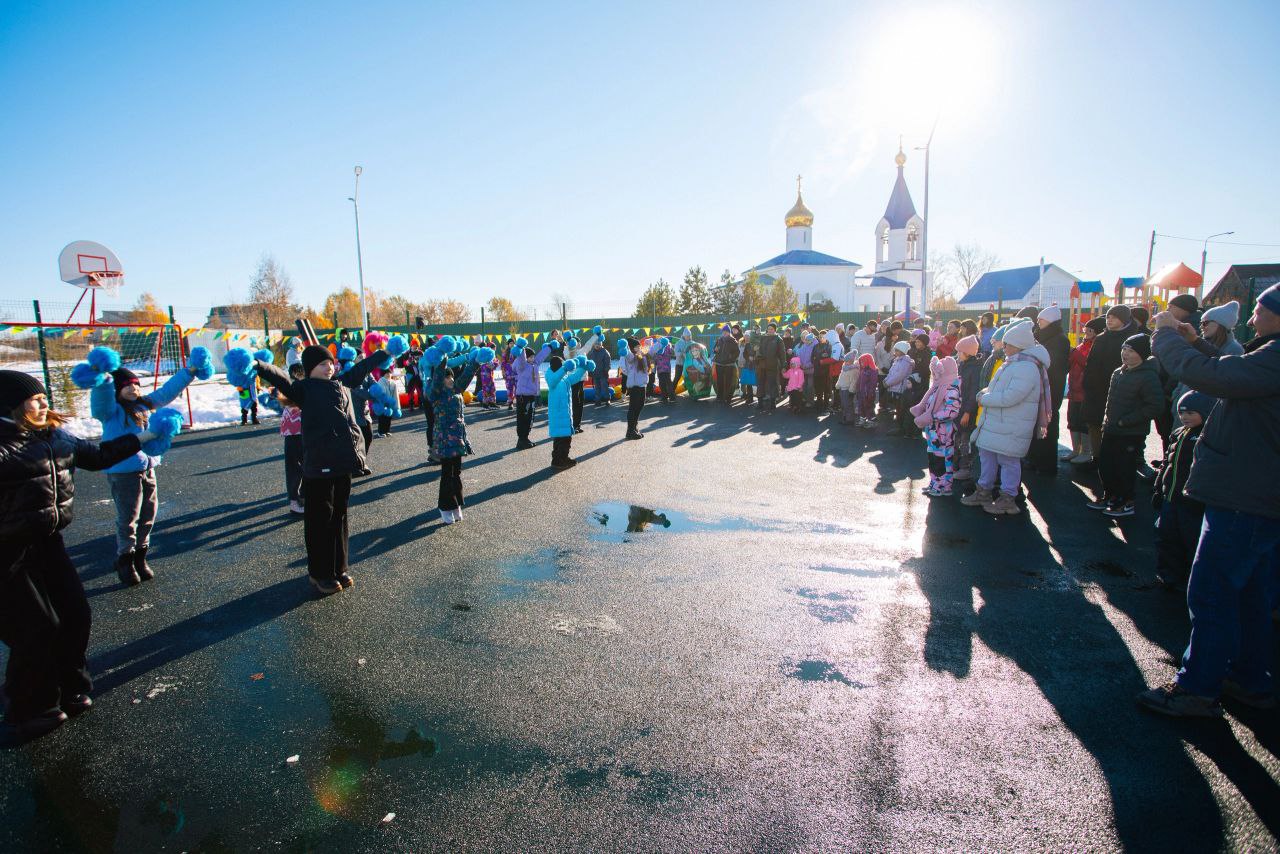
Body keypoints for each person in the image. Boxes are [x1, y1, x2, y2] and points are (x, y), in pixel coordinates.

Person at [0, 371, 166, 742]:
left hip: (47, 542)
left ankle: (69, 687)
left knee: (75, 613)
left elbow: (100, 455)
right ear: (10, 406)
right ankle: (26, 709)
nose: (44, 404)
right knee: (35, 627)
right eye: (35, 399)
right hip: (6, 552)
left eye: (45, 398)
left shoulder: (54, 437)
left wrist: (146, 436)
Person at [1137, 285, 1280, 717]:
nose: (1252, 320)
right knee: (1251, 596)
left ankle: (1197, 688)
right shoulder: (1269, 355)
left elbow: (1215, 376)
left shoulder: (1276, 355)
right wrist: (1196, 340)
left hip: (1244, 497)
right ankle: (1249, 679)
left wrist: (1164, 335)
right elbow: (1231, 369)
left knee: (1213, 593)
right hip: (1258, 496)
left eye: (1259, 310)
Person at [253, 342, 388, 594]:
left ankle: (339, 567)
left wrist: (385, 353)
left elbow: (362, 368)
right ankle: (319, 573)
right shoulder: (303, 389)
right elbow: (281, 378)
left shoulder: (340, 383)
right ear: (310, 368)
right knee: (319, 521)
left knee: (340, 516)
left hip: (343, 464)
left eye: (330, 363)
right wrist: (258, 365)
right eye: (322, 364)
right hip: (319, 466)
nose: (329, 368)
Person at [86, 346, 202, 586]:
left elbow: (168, 391)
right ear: (117, 389)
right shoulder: (111, 412)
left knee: (148, 515)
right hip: (123, 472)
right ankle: (125, 559)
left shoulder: (145, 404)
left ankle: (141, 556)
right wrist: (104, 378)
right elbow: (100, 401)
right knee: (128, 518)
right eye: (127, 385)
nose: (134, 388)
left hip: (147, 469)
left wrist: (190, 371)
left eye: (136, 384)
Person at [961, 321, 1050, 515]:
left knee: (1008, 461)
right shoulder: (1012, 363)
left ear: (1019, 344)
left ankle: (1008, 498)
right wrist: (985, 393)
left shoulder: (1026, 367)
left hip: (1011, 424)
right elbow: (996, 388)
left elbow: (1011, 396)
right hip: (998, 422)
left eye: (1008, 343)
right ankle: (984, 491)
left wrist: (984, 398)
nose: (1004, 346)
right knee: (987, 456)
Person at [1086, 334, 1164, 518]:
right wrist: (1107, 420)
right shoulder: (1118, 372)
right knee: (1106, 465)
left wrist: (1125, 421)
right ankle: (1111, 496)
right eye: (1124, 349)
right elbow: (1111, 401)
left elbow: (1155, 406)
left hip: (1130, 432)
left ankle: (1126, 501)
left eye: (1131, 351)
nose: (1126, 354)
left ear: (1143, 354)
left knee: (1124, 468)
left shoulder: (1148, 376)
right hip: (1111, 428)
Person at [1152, 391, 1213, 590]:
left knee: (1191, 541)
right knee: (1167, 537)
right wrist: (1159, 488)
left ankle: (1191, 578)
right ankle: (1168, 574)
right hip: (1171, 497)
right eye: (1182, 413)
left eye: (1191, 413)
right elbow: (1167, 463)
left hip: (1192, 503)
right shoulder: (1178, 434)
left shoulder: (1208, 436)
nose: (1185, 417)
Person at [427, 344, 486, 521]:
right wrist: (442, 358)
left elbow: (466, 376)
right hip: (444, 440)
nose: (451, 379)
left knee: (457, 472)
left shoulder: (456, 391)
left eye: (452, 377)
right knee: (447, 473)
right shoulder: (435, 392)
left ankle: (456, 504)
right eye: (448, 377)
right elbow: (438, 376)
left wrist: (475, 362)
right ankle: (445, 507)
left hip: (458, 438)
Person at [1081, 304, 1138, 469]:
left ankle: (1113, 460)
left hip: (1120, 389)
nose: (1109, 320)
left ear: (1124, 319)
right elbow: (1091, 364)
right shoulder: (1101, 338)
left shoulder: (1132, 338)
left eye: (1114, 317)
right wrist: (1088, 384)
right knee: (1094, 424)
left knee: (1114, 426)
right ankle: (1097, 458)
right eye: (1108, 317)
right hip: (1096, 390)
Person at [1166, 301, 1244, 416]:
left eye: (1206, 323)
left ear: (1221, 324)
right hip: (1186, 408)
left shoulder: (1234, 350)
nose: (1201, 327)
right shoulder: (1200, 344)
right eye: (1201, 323)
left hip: (1205, 412)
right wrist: (1177, 394)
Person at [1026, 304, 1071, 475]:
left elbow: (1053, 366)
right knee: (1035, 425)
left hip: (1051, 388)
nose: (1038, 323)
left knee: (1047, 427)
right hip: (1039, 387)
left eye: (1041, 320)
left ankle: (1046, 464)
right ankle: (1035, 458)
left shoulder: (1059, 340)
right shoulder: (1042, 336)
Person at [258, 362, 307, 514]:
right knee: (297, 467)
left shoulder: (290, 387)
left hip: (294, 432)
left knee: (299, 466)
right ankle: (295, 499)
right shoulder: (297, 388)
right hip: (297, 432)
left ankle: (299, 497)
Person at [911, 356, 963, 496]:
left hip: (944, 431)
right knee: (934, 457)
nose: (935, 376)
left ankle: (943, 485)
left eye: (937, 373)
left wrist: (933, 417)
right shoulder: (938, 386)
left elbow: (952, 412)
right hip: (933, 429)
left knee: (942, 458)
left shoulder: (951, 389)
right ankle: (935, 482)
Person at [1064, 317, 1103, 464]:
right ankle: (1076, 450)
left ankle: (1086, 451)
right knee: (1072, 421)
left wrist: (1074, 354)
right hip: (1074, 391)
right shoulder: (1082, 346)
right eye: (1085, 329)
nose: (1085, 332)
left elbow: (1089, 364)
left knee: (1083, 423)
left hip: (1085, 392)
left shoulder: (1097, 346)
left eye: (1089, 330)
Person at [547, 354, 590, 469]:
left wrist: (583, 368)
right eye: (561, 366)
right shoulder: (551, 377)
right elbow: (553, 381)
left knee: (564, 438)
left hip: (565, 414)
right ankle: (560, 460)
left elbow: (575, 377)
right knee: (562, 439)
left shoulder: (565, 379)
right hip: (558, 414)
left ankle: (559, 459)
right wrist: (564, 369)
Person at [953, 334, 982, 481]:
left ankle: (965, 468)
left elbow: (973, 392)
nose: (957, 354)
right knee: (957, 438)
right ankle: (957, 465)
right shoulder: (962, 366)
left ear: (967, 352)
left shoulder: (974, 369)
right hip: (960, 408)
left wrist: (967, 412)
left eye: (959, 351)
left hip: (966, 411)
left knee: (965, 440)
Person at [512, 339, 548, 451]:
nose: (533, 359)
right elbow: (521, 358)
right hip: (523, 396)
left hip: (532, 395)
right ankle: (521, 439)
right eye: (530, 357)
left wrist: (549, 347)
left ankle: (525, 438)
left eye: (533, 357)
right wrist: (521, 348)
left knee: (530, 418)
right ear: (526, 358)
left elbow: (541, 356)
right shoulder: (522, 366)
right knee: (523, 418)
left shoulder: (534, 364)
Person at [884, 340, 914, 435]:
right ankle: (900, 427)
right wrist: (886, 380)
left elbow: (899, 376)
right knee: (898, 407)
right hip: (895, 387)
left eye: (897, 350)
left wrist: (888, 383)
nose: (895, 351)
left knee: (900, 408)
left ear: (902, 351)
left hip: (900, 389)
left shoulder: (905, 362)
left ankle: (901, 428)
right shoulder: (897, 360)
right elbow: (891, 372)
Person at [756, 322, 785, 412]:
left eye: (771, 329)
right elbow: (759, 350)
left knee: (773, 384)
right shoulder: (763, 338)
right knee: (760, 383)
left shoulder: (778, 339)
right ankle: (760, 402)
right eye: (768, 329)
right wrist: (759, 356)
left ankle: (773, 403)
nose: (770, 330)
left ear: (775, 330)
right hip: (762, 365)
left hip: (773, 365)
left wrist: (784, 365)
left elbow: (782, 353)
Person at [623, 338, 649, 439]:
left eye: (639, 346)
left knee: (640, 406)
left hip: (642, 384)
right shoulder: (631, 357)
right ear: (631, 349)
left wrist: (648, 345)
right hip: (634, 386)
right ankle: (630, 431)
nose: (639, 348)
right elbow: (628, 356)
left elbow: (649, 352)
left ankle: (635, 427)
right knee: (633, 408)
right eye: (636, 347)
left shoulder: (642, 356)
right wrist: (626, 349)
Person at [712, 325, 740, 404]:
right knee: (719, 381)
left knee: (729, 382)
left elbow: (737, 352)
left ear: (729, 333)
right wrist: (715, 350)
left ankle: (728, 398)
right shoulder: (719, 340)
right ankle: (720, 396)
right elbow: (714, 350)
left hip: (729, 365)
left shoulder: (733, 341)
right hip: (719, 363)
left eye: (726, 332)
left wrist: (731, 358)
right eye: (723, 332)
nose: (724, 333)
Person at [373, 367, 404, 437]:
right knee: (382, 418)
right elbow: (381, 394)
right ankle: (380, 432)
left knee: (389, 418)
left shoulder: (393, 382)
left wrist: (397, 406)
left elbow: (396, 395)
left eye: (389, 373)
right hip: (382, 404)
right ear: (383, 374)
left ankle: (387, 431)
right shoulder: (381, 381)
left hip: (390, 404)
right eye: (387, 373)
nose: (389, 374)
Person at [588, 336, 612, 406]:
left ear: (601, 345)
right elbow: (590, 363)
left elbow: (607, 362)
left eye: (598, 344)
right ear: (594, 345)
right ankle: (597, 399)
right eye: (596, 344)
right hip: (595, 373)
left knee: (604, 387)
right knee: (597, 387)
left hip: (603, 373)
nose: (597, 346)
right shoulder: (591, 353)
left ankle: (607, 399)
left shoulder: (605, 352)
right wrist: (590, 371)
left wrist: (606, 370)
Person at [653, 337, 676, 402]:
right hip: (667, 368)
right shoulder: (669, 347)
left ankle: (664, 397)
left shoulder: (658, 347)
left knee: (662, 383)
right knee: (668, 382)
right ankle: (672, 397)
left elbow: (655, 357)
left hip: (660, 369)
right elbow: (673, 353)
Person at [499, 340, 518, 412]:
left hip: (516, 373)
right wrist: (503, 372)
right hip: (508, 373)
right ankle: (510, 403)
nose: (512, 344)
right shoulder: (505, 353)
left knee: (517, 388)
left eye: (513, 343)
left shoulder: (517, 352)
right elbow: (503, 364)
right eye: (510, 343)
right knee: (509, 388)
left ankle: (518, 402)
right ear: (508, 344)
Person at [738, 331, 757, 405]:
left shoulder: (755, 344)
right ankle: (750, 398)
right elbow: (744, 353)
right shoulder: (747, 345)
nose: (747, 338)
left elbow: (759, 353)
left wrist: (754, 357)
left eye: (748, 336)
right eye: (745, 336)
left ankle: (759, 398)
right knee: (748, 382)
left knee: (756, 382)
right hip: (748, 365)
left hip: (755, 365)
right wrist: (748, 357)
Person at [673, 328, 694, 393]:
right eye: (687, 336)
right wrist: (682, 353)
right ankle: (671, 392)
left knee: (690, 378)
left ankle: (692, 391)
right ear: (684, 336)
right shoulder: (678, 343)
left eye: (689, 336)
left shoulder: (692, 343)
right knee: (677, 378)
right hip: (680, 364)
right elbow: (676, 353)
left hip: (689, 365)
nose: (688, 337)